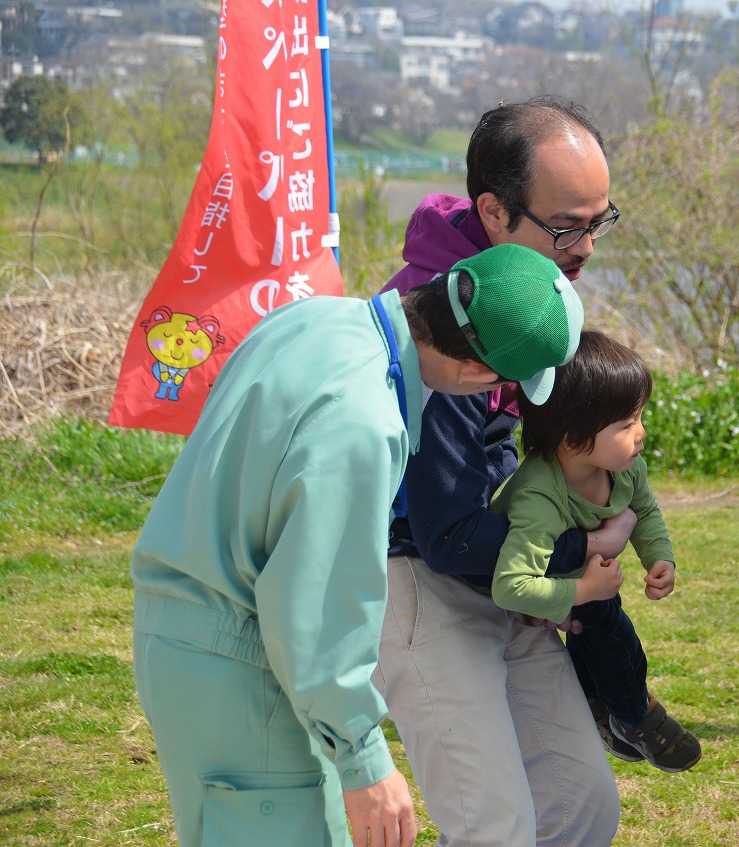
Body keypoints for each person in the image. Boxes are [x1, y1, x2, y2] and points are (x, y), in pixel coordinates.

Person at [130, 243, 583, 847]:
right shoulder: (364, 423)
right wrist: (363, 757)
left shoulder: (314, 318)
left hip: (185, 631)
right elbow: (314, 605)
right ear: (480, 376)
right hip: (245, 661)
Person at [373, 96, 631, 846]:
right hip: (417, 584)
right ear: (493, 212)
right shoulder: (453, 330)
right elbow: (447, 529)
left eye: (599, 220)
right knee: (497, 828)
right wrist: (577, 557)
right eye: (566, 226)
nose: (586, 247)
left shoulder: (516, 294)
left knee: (580, 805)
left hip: (489, 576)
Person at [491, 330, 703, 773]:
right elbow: (509, 587)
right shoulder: (539, 496)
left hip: (569, 584)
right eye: (626, 425)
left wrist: (659, 557)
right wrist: (584, 589)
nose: (641, 434)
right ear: (573, 440)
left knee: (592, 631)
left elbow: (644, 510)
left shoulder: (624, 468)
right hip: (514, 603)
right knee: (609, 627)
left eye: (639, 418)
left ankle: (600, 708)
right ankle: (634, 715)